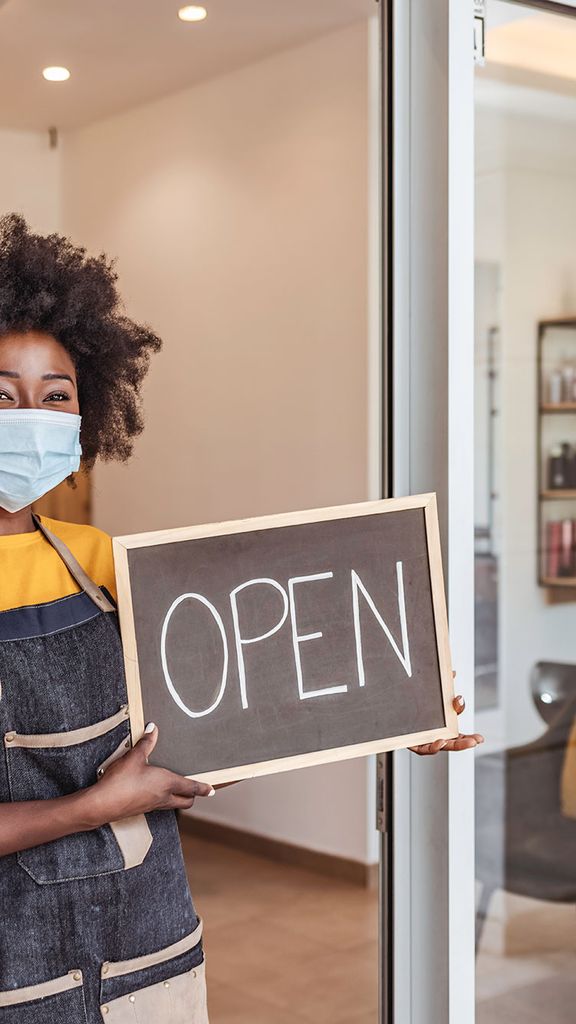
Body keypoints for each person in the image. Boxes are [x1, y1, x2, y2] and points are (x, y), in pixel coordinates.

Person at [0, 213, 482, 1023]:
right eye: (2, 395)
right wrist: (94, 806)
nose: (31, 417)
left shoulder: (105, 560)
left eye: (56, 397)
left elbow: (223, 710)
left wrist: (399, 704)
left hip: (148, 952)